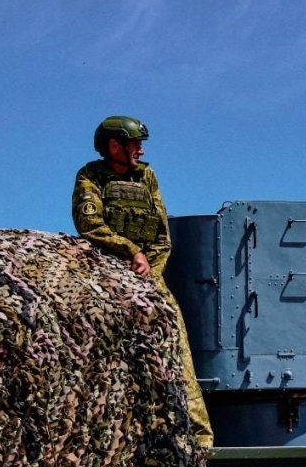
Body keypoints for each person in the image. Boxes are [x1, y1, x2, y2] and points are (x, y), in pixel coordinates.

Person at [72, 115, 213, 448]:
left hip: (147, 275)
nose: (141, 149)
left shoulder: (147, 177)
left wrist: (150, 271)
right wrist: (129, 251)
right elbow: (89, 225)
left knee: (176, 339)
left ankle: (200, 439)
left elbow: (163, 237)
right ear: (114, 146)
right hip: (103, 272)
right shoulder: (90, 176)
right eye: (135, 143)